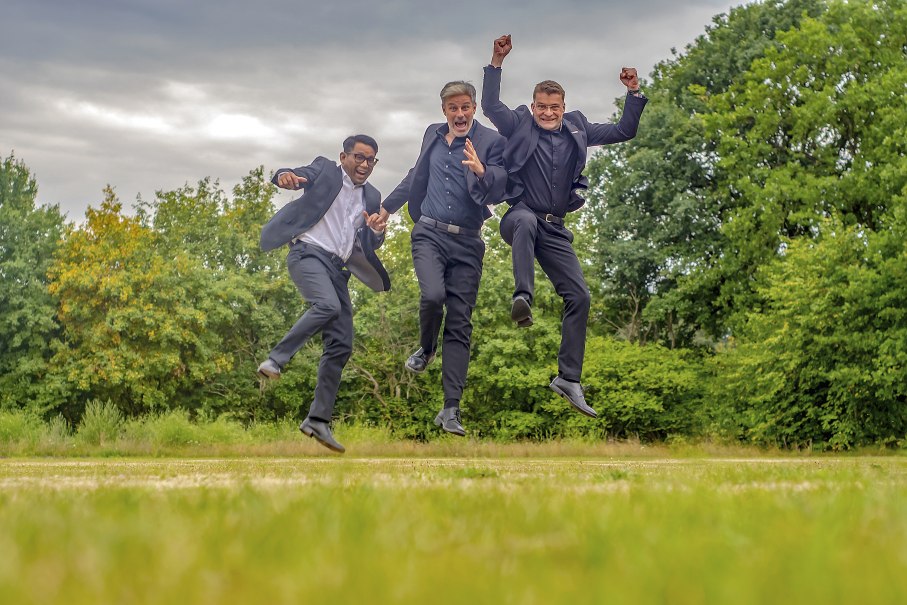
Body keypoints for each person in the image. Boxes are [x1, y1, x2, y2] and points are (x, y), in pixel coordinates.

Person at [481, 34, 647, 418]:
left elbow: (625, 131)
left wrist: (633, 91)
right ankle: (522, 297)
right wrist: (496, 60)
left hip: (554, 229)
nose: (548, 113)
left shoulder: (579, 128)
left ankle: (568, 378)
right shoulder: (520, 123)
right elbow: (490, 105)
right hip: (520, 217)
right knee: (523, 219)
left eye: (554, 107)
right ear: (535, 105)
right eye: (542, 106)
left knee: (580, 296)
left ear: (563, 107)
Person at [380, 81, 507, 436]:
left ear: (475, 107)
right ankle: (425, 347)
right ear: (444, 111)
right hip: (429, 233)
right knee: (433, 296)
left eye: (466, 106)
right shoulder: (432, 136)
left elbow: (502, 185)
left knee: (461, 323)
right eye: (453, 108)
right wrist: (386, 208)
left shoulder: (491, 143)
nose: (460, 113)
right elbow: (414, 176)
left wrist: (483, 171)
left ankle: (451, 409)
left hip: (468, 243)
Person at [257, 135, 390, 453]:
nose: (365, 165)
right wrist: (284, 175)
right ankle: (276, 359)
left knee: (342, 345)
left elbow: (369, 244)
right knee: (326, 305)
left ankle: (317, 420)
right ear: (344, 156)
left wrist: (376, 231)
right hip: (308, 254)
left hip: (338, 270)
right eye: (359, 157)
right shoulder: (327, 171)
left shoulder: (372, 196)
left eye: (371, 160)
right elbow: (297, 173)